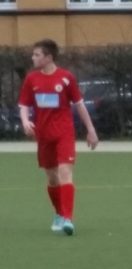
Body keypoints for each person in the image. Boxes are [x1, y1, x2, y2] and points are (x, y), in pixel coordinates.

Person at [18, 39, 98, 236]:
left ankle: (68, 219)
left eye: (37, 55)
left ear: (48, 58)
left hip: (64, 133)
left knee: (64, 171)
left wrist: (91, 130)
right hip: (43, 135)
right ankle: (59, 213)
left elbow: (79, 105)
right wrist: (25, 121)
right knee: (52, 177)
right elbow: (24, 105)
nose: (33, 58)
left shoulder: (66, 78)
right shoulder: (31, 79)